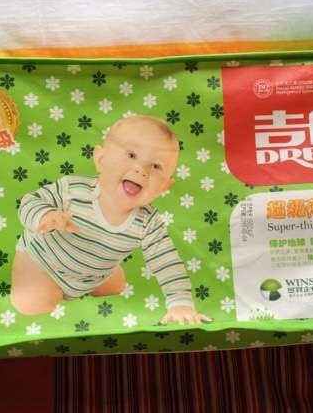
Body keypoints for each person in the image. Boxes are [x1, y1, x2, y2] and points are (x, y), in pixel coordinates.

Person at [11, 115, 210, 325]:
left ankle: (95, 277)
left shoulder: (148, 223)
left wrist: (180, 303)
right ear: (101, 159)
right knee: (30, 304)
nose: (141, 170)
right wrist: (44, 215)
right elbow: (31, 201)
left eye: (156, 166)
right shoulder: (72, 190)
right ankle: (44, 288)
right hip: (43, 261)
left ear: (164, 187)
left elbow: (167, 262)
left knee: (116, 287)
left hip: (95, 274)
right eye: (131, 155)